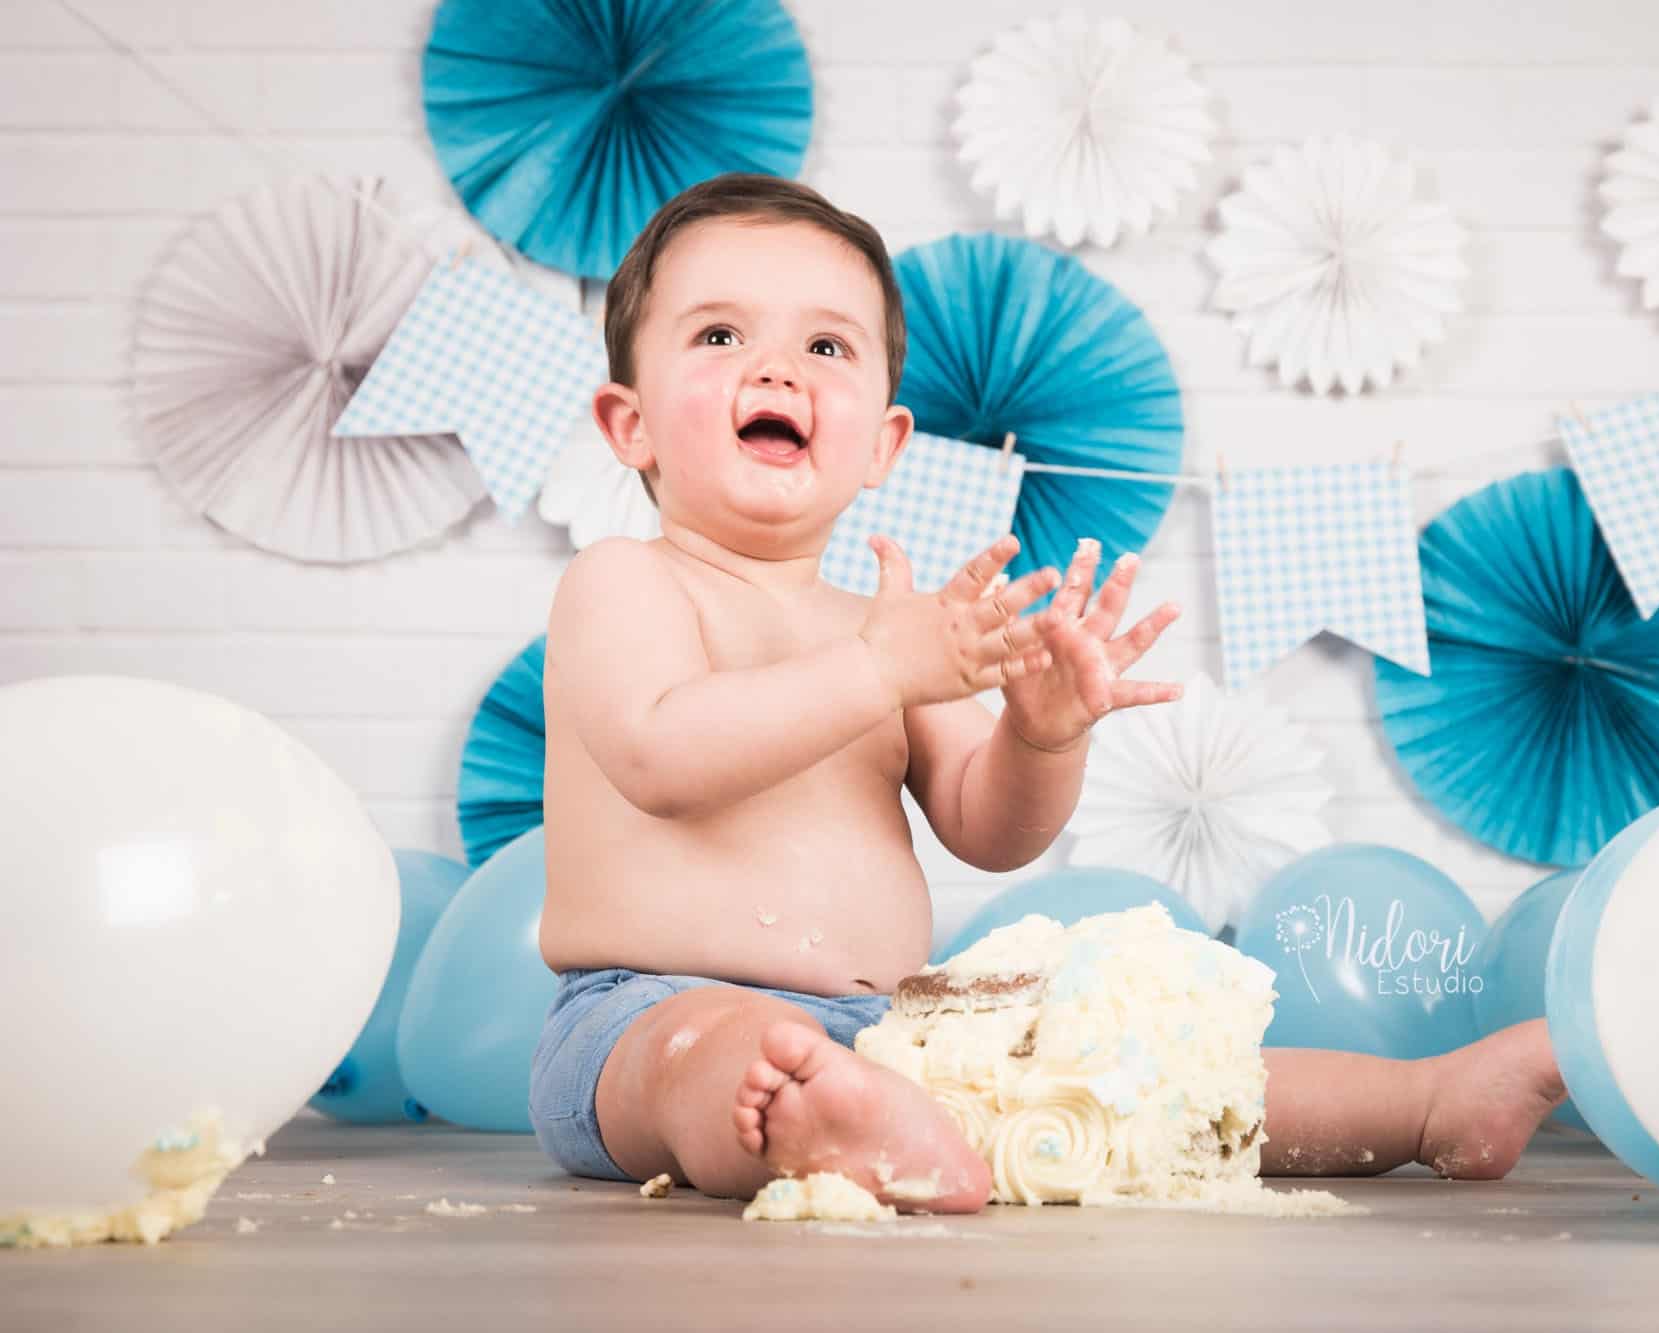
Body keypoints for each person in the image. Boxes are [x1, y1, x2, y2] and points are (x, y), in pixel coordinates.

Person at [529, 173, 1567, 1210]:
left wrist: (1040, 734)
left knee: (1131, 1064)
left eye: (825, 347)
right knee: (712, 1055)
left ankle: (1425, 1103)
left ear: (885, 444)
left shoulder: (887, 628)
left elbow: (990, 829)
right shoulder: (627, 581)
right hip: (641, 1010)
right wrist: (879, 669)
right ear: (629, 425)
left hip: (891, 1027)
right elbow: (660, 757)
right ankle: (816, 1121)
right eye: (717, 336)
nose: (774, 368)